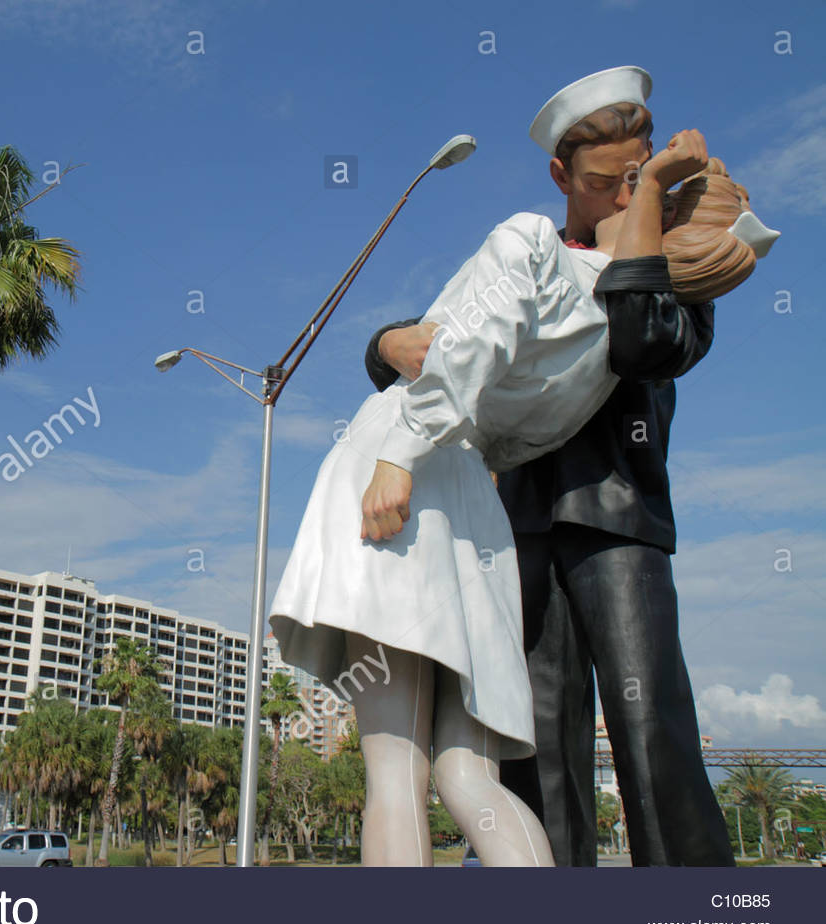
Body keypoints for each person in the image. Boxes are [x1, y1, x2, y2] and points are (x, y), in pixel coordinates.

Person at [268, 133, 775, 865]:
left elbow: (634, 341)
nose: (629, 192)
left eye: (643, 182)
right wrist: (386, 343)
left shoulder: (670, 287)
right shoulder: (540, 255)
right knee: (534, 746)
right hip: (507, 525)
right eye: (619, 178)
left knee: (646, 724)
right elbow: (442, 357)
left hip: (613, 517)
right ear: (565, 176)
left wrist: (648, 227)